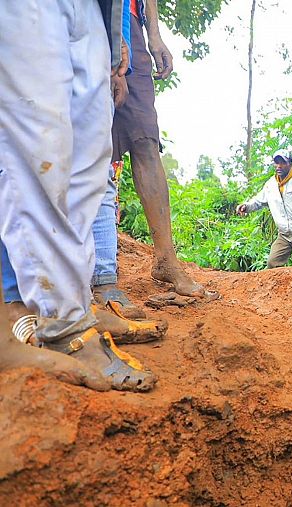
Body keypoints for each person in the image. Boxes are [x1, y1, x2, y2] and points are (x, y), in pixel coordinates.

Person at [0, 0, 156, 391]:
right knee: (39, 141)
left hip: (96, 9)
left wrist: (117, 30)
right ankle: (62, 323)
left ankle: (77, 302)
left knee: (90, 159)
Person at [111, 0, 216, 300]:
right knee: (93, 141)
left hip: (131, 24)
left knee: (146, 139)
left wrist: (153, 35)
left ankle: (165, 259)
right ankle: (96, 265)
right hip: (88, 16)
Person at [237, 150, 292, 269]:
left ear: (290, 164)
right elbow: (258, 201)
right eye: (276, 163)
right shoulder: (270, 184)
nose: (278, 166)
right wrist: (246, 206)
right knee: (272, 263)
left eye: (282, 163)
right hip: (285, 235)